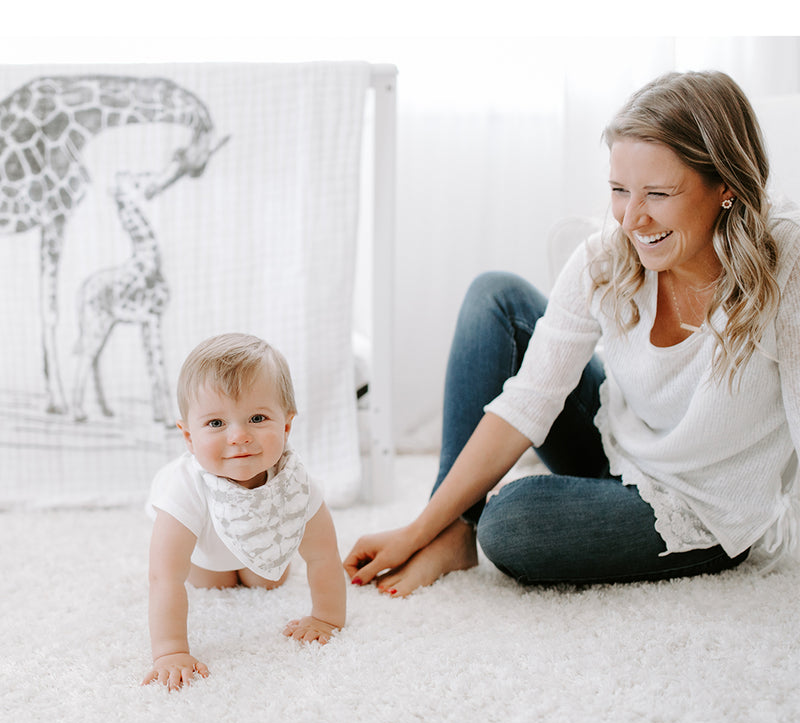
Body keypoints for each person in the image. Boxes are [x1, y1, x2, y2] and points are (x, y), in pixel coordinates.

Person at [344, 70, 800, 597]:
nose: (633, 219)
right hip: (620, 454)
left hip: (706, 508)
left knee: (513, 521)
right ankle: (451, 532)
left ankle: (480, 527)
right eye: (619, 190)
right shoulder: (609, 254)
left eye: (657, 193)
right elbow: (529, 401)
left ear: (724, 184)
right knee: (497, 297)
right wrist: (417, 528)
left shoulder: (785, 262)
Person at [142, 333, 345, 690]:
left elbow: (324, 556)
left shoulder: (296, 483)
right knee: (212, 582)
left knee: (267, 578)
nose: (238, 436)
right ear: (188, 436)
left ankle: (257, 562)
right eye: (216, 424)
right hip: (206, 554)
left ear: (286, 425)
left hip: (264, 536)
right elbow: (164, 577)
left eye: (256, 417)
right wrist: (170, 652)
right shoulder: (184, 488)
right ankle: (223, 569)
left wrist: (326, 619)